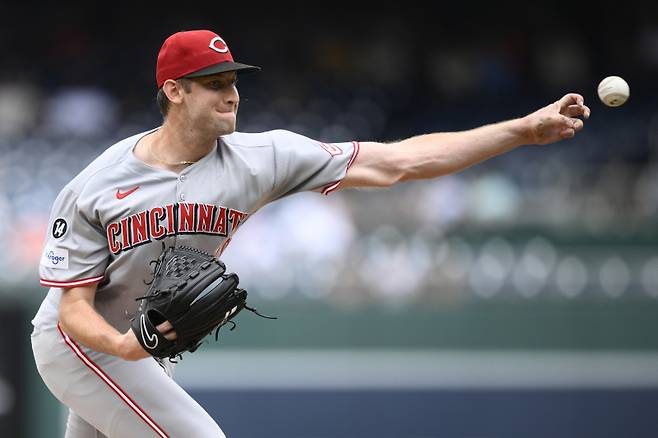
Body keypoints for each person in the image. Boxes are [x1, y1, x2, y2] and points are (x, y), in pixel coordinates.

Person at [30, 29, 590, 438]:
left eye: (234, 82)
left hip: (140, 348)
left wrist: (519, 130)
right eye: (214, 84)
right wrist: (125, 346)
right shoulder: (100, 183)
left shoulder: (262, 158)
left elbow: (396, 162)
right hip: (79, 343)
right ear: (174, 91)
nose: (232, 94)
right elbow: (72, 307)